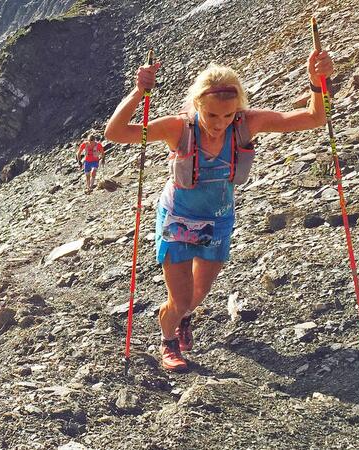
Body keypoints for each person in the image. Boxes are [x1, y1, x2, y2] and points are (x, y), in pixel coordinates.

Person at [104, 50, 334, 372]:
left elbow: (314, 118)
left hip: (218, 221)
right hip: (178, 219)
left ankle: (181, 317)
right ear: (198, 104)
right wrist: (138, 92)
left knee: (197, 295)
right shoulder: (178, 129)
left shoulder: (245, 123)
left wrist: (316, 82)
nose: (220, 124)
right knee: (181, 298)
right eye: (212, 116)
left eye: (228, 116)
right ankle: (168, 339)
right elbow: (115, 133)